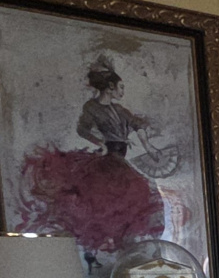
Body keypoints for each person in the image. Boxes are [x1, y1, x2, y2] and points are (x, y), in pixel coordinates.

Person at [18, 57, 174, 252]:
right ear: (110, 87)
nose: (122, 92)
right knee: (108, 197)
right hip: (109, 158)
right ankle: (107, 241)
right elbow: (82, 129)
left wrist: (149, 147)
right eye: (120, 87)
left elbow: (137, 125)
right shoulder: (92, 108)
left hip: (120, 158)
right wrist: (100, 143)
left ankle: (117, 241)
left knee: (129, 197)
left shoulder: (119, 109)